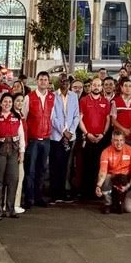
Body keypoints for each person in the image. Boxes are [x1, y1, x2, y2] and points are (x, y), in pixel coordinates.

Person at [0, 93, 24, 220]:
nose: (7, 104)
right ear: (0, 103)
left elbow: (21, 135)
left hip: (13, 150)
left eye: (10, 101)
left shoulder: (16, 116)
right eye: (5, 101)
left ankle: (10, 209)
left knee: (13, 180)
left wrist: (22, 151)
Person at [22, 71, 55, 208]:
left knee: (42, 169)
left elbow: (52, 117)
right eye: (41, 79)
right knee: (30, 170)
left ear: (48, 82)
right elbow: (24, 117)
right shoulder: (29, 97)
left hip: (46, 139)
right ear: (37, 81)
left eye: (45, 80)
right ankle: (29, 198)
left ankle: (38, 196)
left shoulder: (52, 97)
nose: (43, 82)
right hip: (33, 139)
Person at [78, 76, 110, 201]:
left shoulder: (106, 102)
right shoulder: (84, 100)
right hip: (88, 138)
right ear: (91, 86)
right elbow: (80, 119)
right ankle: (86, 193)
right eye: (94, 85)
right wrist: (87, 134)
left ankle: (98, 192)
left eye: (98, 85)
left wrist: (103, 133)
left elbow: (108, 119)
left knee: (100, 166)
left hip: (101, 139)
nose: (96, 87)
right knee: (87, 166)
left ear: (101, 87)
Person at [50, 74, 79, 203]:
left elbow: (76, 116)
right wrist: (63, 131)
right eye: (62, 81)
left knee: (66, 166)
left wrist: (71, 131)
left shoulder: (74, 96)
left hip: (70, 137)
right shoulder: (53, 96)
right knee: (55, 165)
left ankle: (63, 192)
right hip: (57, 136)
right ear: (58, 83)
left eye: (67, 81)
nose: (64, 83)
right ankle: (54, 193)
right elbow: (53, 117)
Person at [95, 131, 131, 214]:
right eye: (116, 140)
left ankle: (126, 197)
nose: (119, 143)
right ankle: (108, 203)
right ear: (111, 141)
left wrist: (128, 185)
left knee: (129, 208)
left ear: (124, 140)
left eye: (121, 140)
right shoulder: (105, 152)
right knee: (107, 177)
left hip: (126, 181)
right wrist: (98, 185)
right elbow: (103, 171)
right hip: (113, 180)